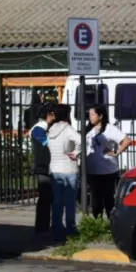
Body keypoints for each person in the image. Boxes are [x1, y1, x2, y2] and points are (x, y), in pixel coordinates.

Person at [85, 105, 132, 219]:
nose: (90, 117)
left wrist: (117, 151)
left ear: (100, 116)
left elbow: (126, 140)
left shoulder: (110, 129)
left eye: (92, 115)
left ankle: (111, 224)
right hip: (93, 170)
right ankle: (97, 224)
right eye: (89, 115)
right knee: (96, 201)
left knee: (108, 200)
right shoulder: (88, 130)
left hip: (107, 170)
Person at [47, 104, 82, 244]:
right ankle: (71, 229)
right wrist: (76, 153)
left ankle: (56, 229)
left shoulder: (51, 130)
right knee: (70, 202)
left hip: (55, 169)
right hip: (68, 169)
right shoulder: (67, 129)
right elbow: (81, 140)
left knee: (57, 202)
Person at [28, 102, 55, 236]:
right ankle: (42, 228)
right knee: (45, 198)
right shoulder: (39, 129)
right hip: (43, 167)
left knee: (50, 198)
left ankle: (46, 227)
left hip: (49, 167)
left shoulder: (46, 128)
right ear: (48, 115)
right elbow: (50, 145)